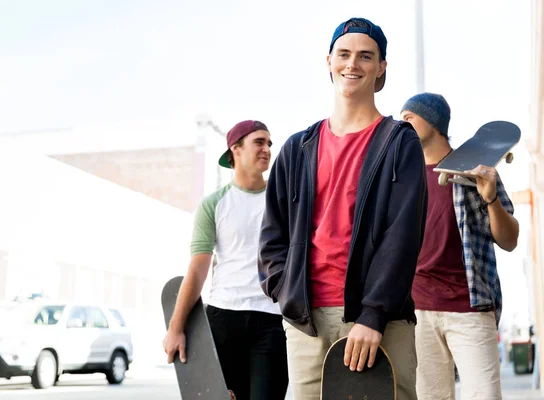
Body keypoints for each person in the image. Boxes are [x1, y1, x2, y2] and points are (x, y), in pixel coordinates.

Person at [258, 17, 427, 400]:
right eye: (344, 54)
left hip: (376, 322)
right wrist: (287, 293)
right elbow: (272, 236)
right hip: (307, 324)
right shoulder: (297, 149)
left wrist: (373, 314)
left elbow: (402, 237)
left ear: (381, 67)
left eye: (366, 56)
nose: (353, 64)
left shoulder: (399, 143)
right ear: (329, 61)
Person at [400, 92, 519, 399]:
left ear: (434, 121)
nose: (402, 122)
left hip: (469, 307)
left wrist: (490, 197)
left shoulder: (475, 171)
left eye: (409, 116)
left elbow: (509, 240)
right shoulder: (402, 178)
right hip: (418, 310)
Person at [163, 120, 289, 400]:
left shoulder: (282, 200)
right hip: (223, 319)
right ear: (236, 149)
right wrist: (176, 327)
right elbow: (197, 270)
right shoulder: (214, 204)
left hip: (270, 321)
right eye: (259, 142)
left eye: (269, 143)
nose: (267, 148)